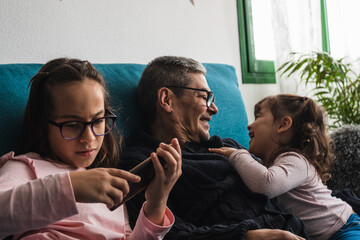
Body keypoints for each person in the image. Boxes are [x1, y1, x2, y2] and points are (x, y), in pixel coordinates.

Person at [120, 56, 309, 239]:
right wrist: (249, 237)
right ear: (167, 100)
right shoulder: (142, 166)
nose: (215, 109)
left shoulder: (227, 147)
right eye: (205, 97)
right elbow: (167, 234)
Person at [0, 58, 182, 239]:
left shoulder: (106, 183)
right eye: (72, 124)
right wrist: (72, 187)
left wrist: (156, 203)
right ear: (43, 125)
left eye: (98, 120)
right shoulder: (25, 167)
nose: (89, 138)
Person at [209, 94, 360, 240]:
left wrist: (237, 155)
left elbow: (266, 184)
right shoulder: (271, 164)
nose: (249, 125)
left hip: (344, 227)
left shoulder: (296, 160)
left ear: (283, 125)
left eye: (259, 116)